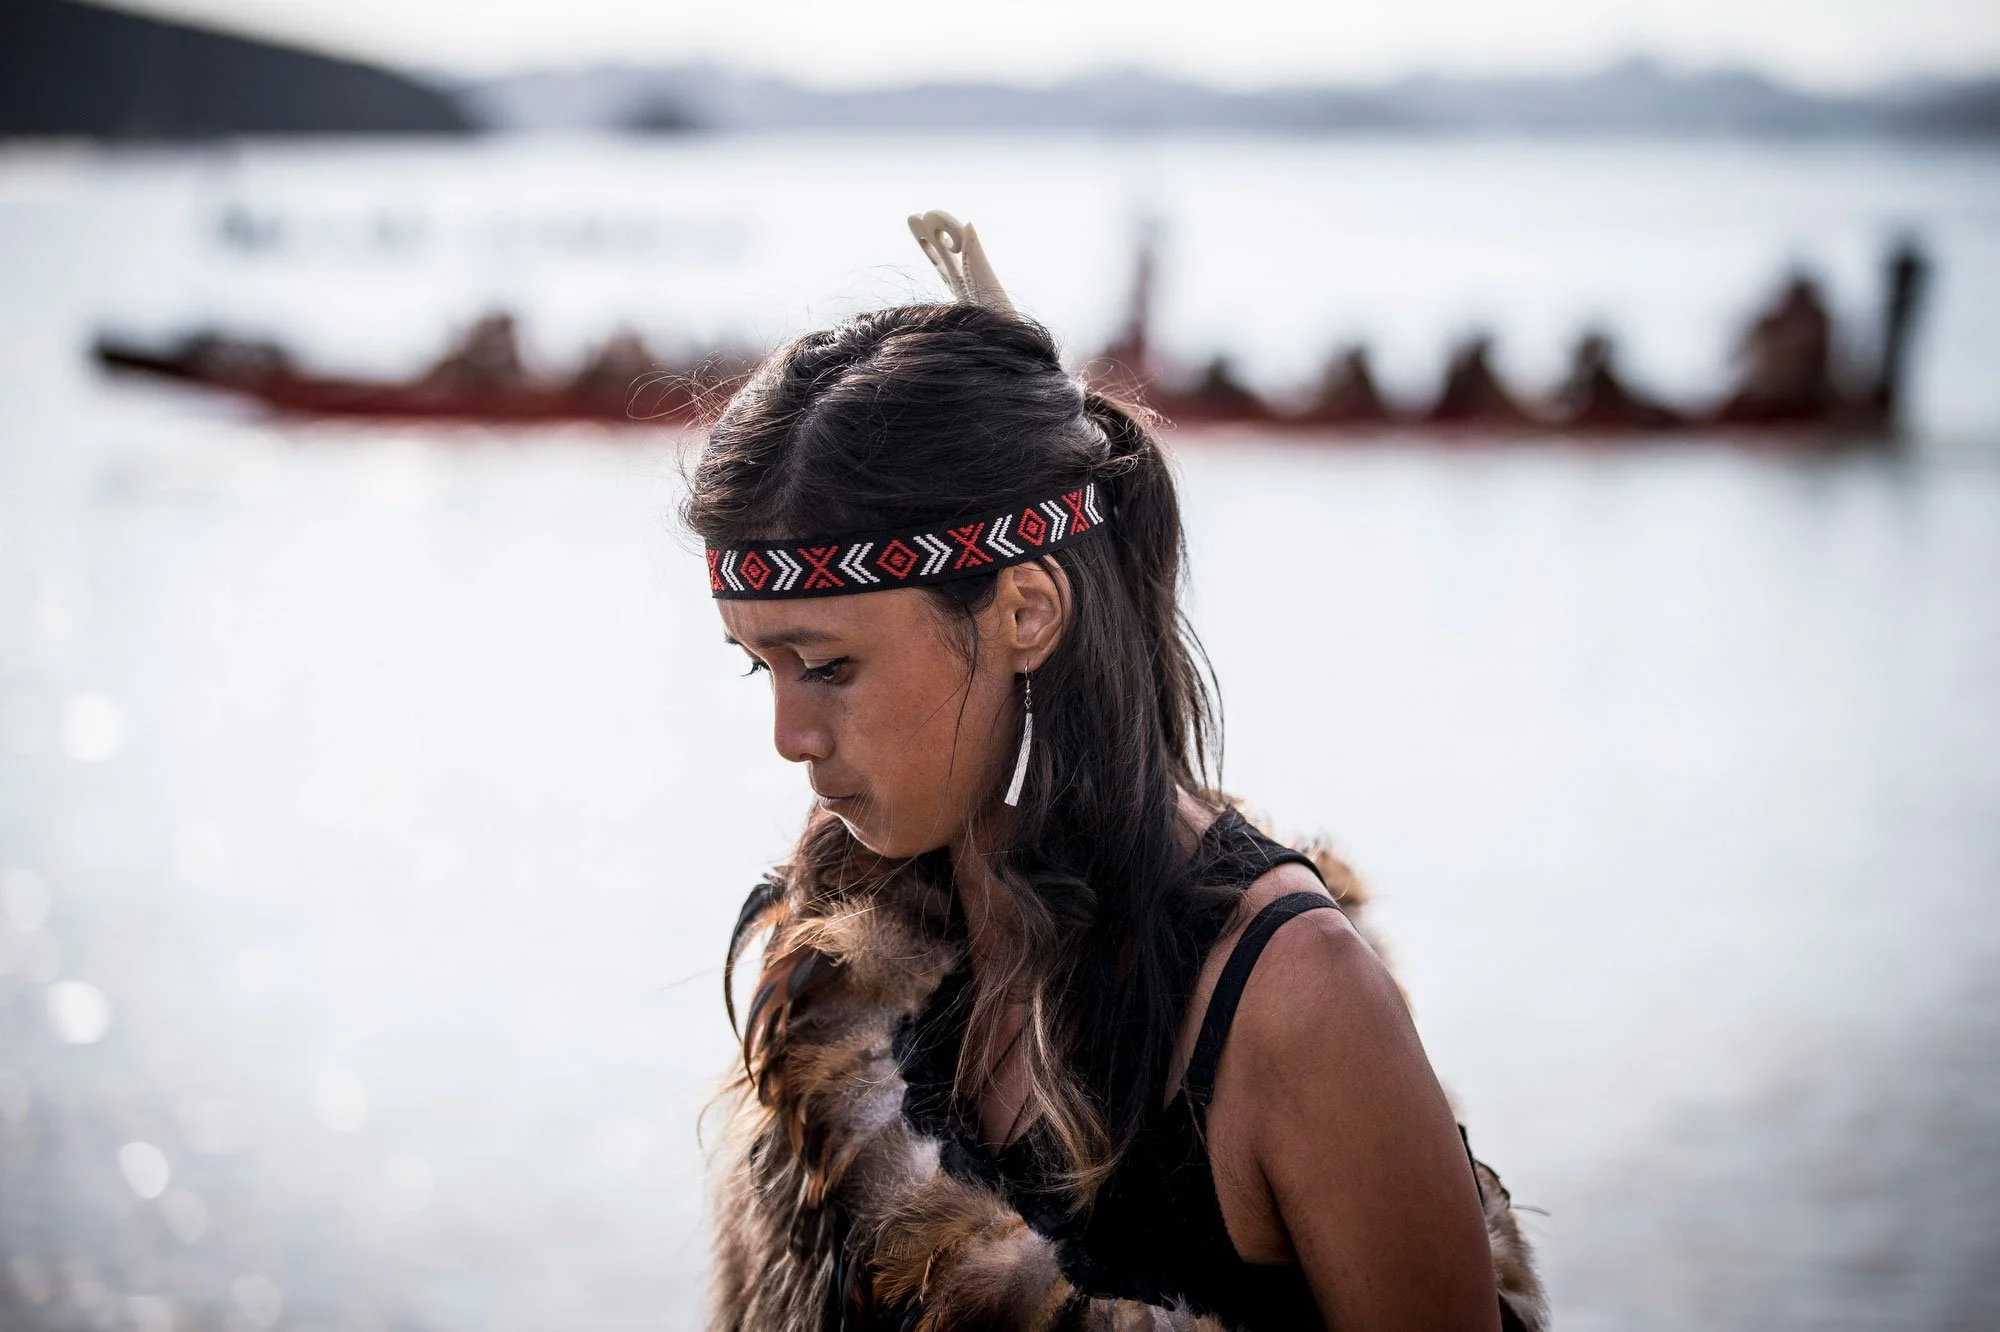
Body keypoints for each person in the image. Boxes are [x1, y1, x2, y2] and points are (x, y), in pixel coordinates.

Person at [692, 212, 1544, 1331]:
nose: (788, 736)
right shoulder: (833, 963)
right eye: (760, 669)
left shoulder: (1289, 1003)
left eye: (828, 667)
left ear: (1025, 611)